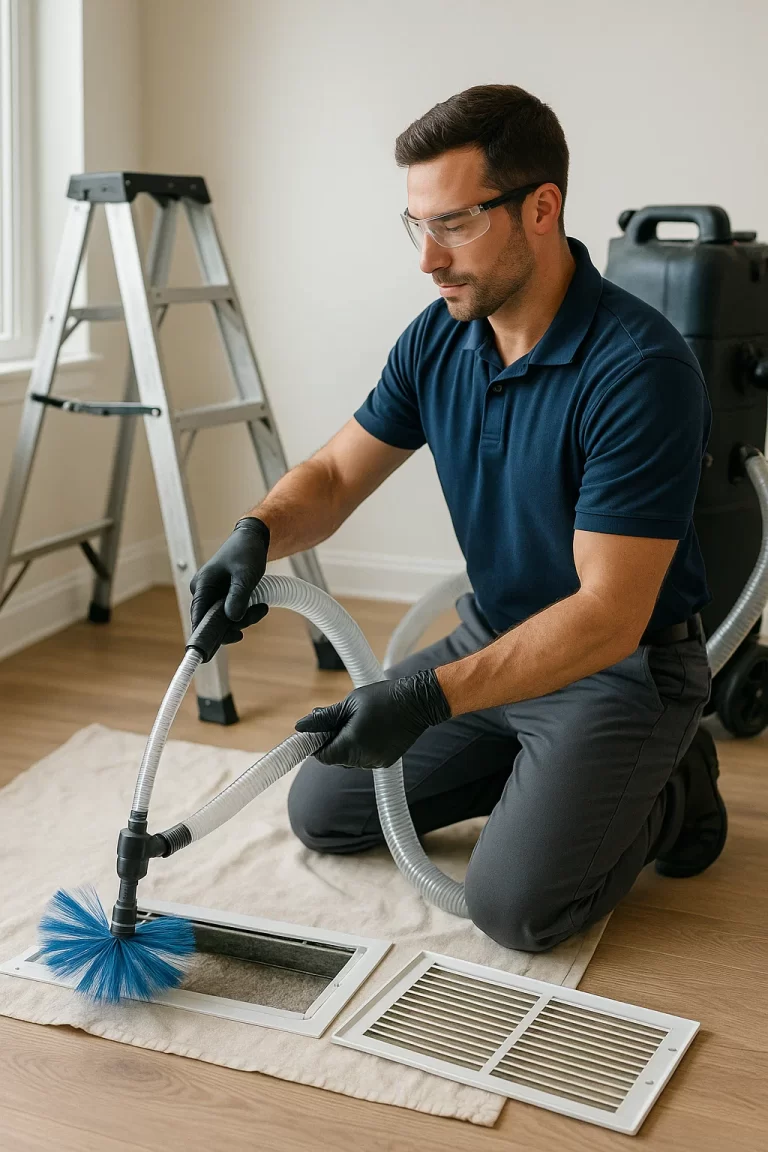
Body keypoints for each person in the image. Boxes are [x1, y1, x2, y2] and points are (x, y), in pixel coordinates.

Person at [189, 84, 726, 953]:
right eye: (418, 226)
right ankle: (545, 779)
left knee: (515, 910)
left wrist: (423, 699)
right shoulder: (440, 336)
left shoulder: (638, 370)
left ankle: (674, 785)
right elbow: (334, 475)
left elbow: (607, 615)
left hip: (618, 668)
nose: (429, 259)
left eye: (455, 224)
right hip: (492, 639)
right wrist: (256, 533)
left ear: (540, 208)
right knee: (325, 810)